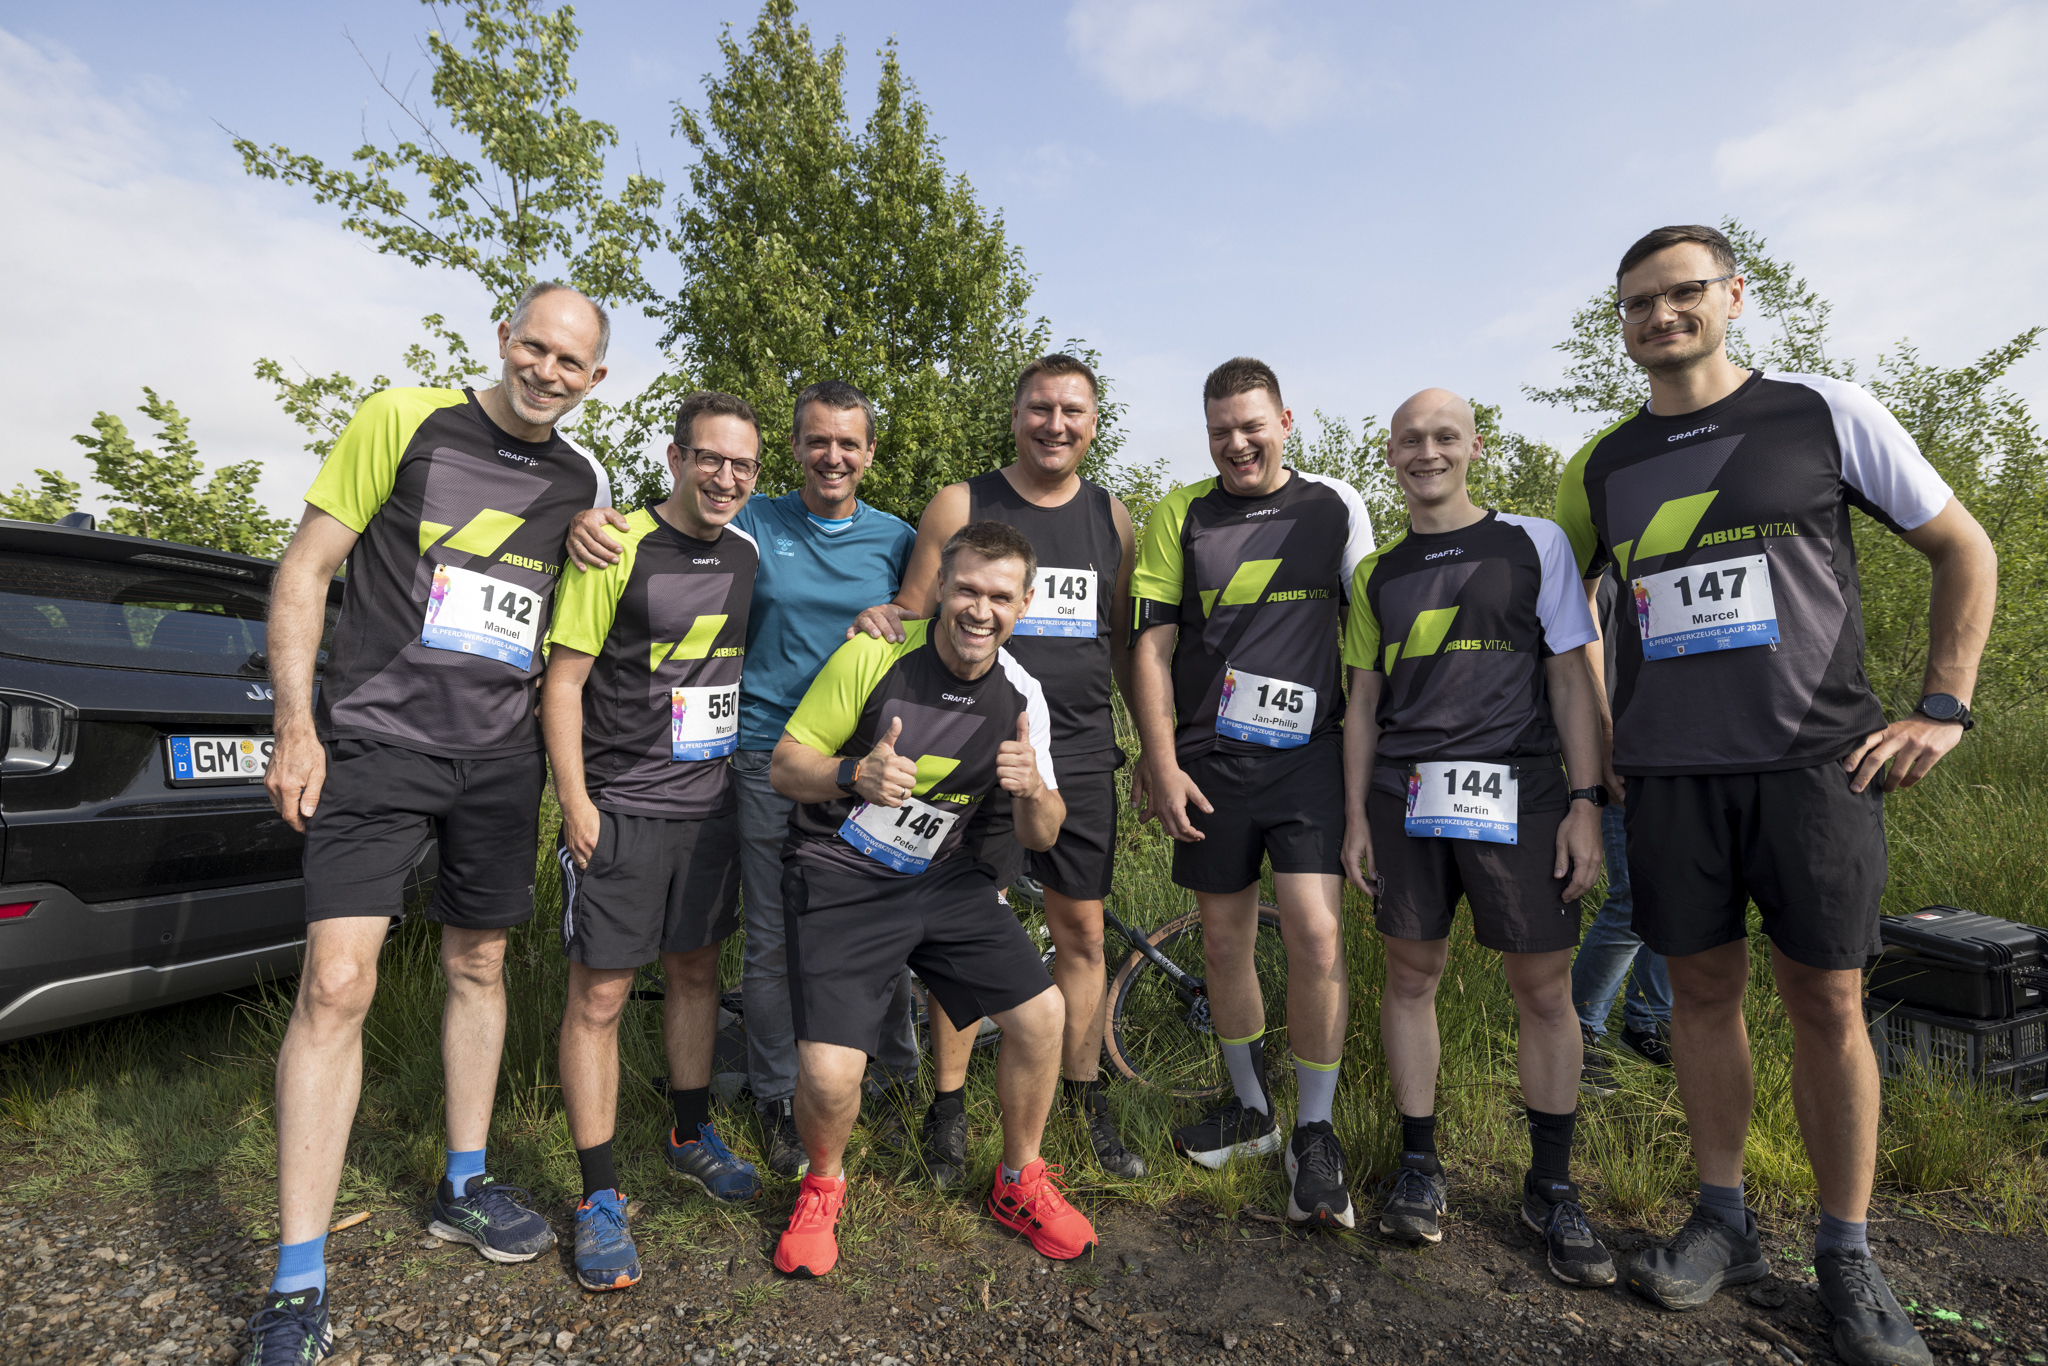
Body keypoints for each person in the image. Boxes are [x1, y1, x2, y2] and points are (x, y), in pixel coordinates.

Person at [1554, 224, 1996, 1366]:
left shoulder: (1823, 411)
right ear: (1620, 322)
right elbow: (1565, 617)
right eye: (1637, 302)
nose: (1661, 315)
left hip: (1815, 762)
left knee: (1827, 1002)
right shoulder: (1602, 464)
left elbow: (1963, 548)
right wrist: (1599, 744)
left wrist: (1942, 707)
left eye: (1683, 292)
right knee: (1698, 996)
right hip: (1668, 775)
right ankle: (1724, 1223)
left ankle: (1846, 1253)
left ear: (1733, 296)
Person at [250, 283, 614, 1365]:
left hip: (499, 758)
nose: (546, 372)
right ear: (504, 339)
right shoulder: (402, 418)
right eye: (534, 348)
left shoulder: (583, 477)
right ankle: (297, 1279)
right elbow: (306, 569)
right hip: (375, 740)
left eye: (570, 363)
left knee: (480, 962)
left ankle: (464, 1181)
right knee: (336, 984)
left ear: (594, 380)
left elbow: (574, 604)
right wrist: (295, 727)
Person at [569, 381, 919, 1179]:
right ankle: (775, 1094)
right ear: (793, 449)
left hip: (866, 765)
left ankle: (891, 1082)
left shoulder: (896, 539)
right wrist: (584, 521)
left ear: (870, 453)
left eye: (849, 443)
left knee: (878, 926)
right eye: (817, 441)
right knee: (771, 938)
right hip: (761, 755)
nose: (833, 456)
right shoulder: (752, 522)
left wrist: (894, 618)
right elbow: (669, 528)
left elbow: (927, 619)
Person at [847, 353, 1145, 1184]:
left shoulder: (1113, 517)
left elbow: (1122, 644)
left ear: (1093, 424)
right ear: (1015, 416)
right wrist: (878, 621)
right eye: (1040, 408)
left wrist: (1156, 751)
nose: (1055, 424)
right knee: (964, 921)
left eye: (1072, 411)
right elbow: (916, 612)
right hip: (968, 740)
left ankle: (1082, 1096)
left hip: (1075, 750)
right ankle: (947, 1108)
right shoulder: (961, 503)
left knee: (1082, 932)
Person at [769, 521, 1097, 1275]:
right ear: (941, 588)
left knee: (1043, 1016)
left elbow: (1044, 833)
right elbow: (785, 766)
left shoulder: (1023, 693)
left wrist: (1032, 788)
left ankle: (1018, 1181)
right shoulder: (873, 654)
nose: (981, 610)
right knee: (830, 1075)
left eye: (1001, 597)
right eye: (968, 590)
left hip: (943, 878)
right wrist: (853, 774)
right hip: (842, 875)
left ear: (1025, 603)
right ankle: (822, 1186)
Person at [1339, 388, 1612, 1286]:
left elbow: (1570, 678)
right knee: (1410, 976)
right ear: (1390, 454)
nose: (1428, 452)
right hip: (1406, 797)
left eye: (1445, 436)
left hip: (1522, 793)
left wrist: (1586, 802)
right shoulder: (1376, 574)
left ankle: (1552, 1186)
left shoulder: (1536, 543)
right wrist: (1355, 817)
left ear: (1475, 447)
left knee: (1543, 989)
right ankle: (1420, 1167)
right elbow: (1363, 704)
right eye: (1410, 439)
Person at [1129, 356, 1374, 1228]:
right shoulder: (1180, 514)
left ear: (1285, 422)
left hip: (1310, 756)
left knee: (1315, 933)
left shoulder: (1335, 504)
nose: (1236, 443)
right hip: (1211, 761)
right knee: (1225, 941)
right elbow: (1152, 648)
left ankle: (1316, 1130)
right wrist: (1160, 761)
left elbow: (1367, 634)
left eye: (1251, 426)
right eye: (1220, 430)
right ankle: (1252, 1111)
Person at [542, 391, 766, 1293]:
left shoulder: (749, 553)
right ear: (675, 459)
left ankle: (689, 1131)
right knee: (599, 996)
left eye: (742, 465)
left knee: (696, 972)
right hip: (622, 807)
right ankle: (599, 1194)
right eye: (709, 458)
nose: (724, 477)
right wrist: (575, 801)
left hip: (711, 810)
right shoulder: (615, 544)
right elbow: (563, 682)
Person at [1572, 571, 1672, 1096]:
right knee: (1633, 896)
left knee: (1675, 893)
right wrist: (1603, 743)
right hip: (1618, 752)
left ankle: (1647, 1022)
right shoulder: (1593, 575)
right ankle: (1579, 1029)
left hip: (1680, 749)